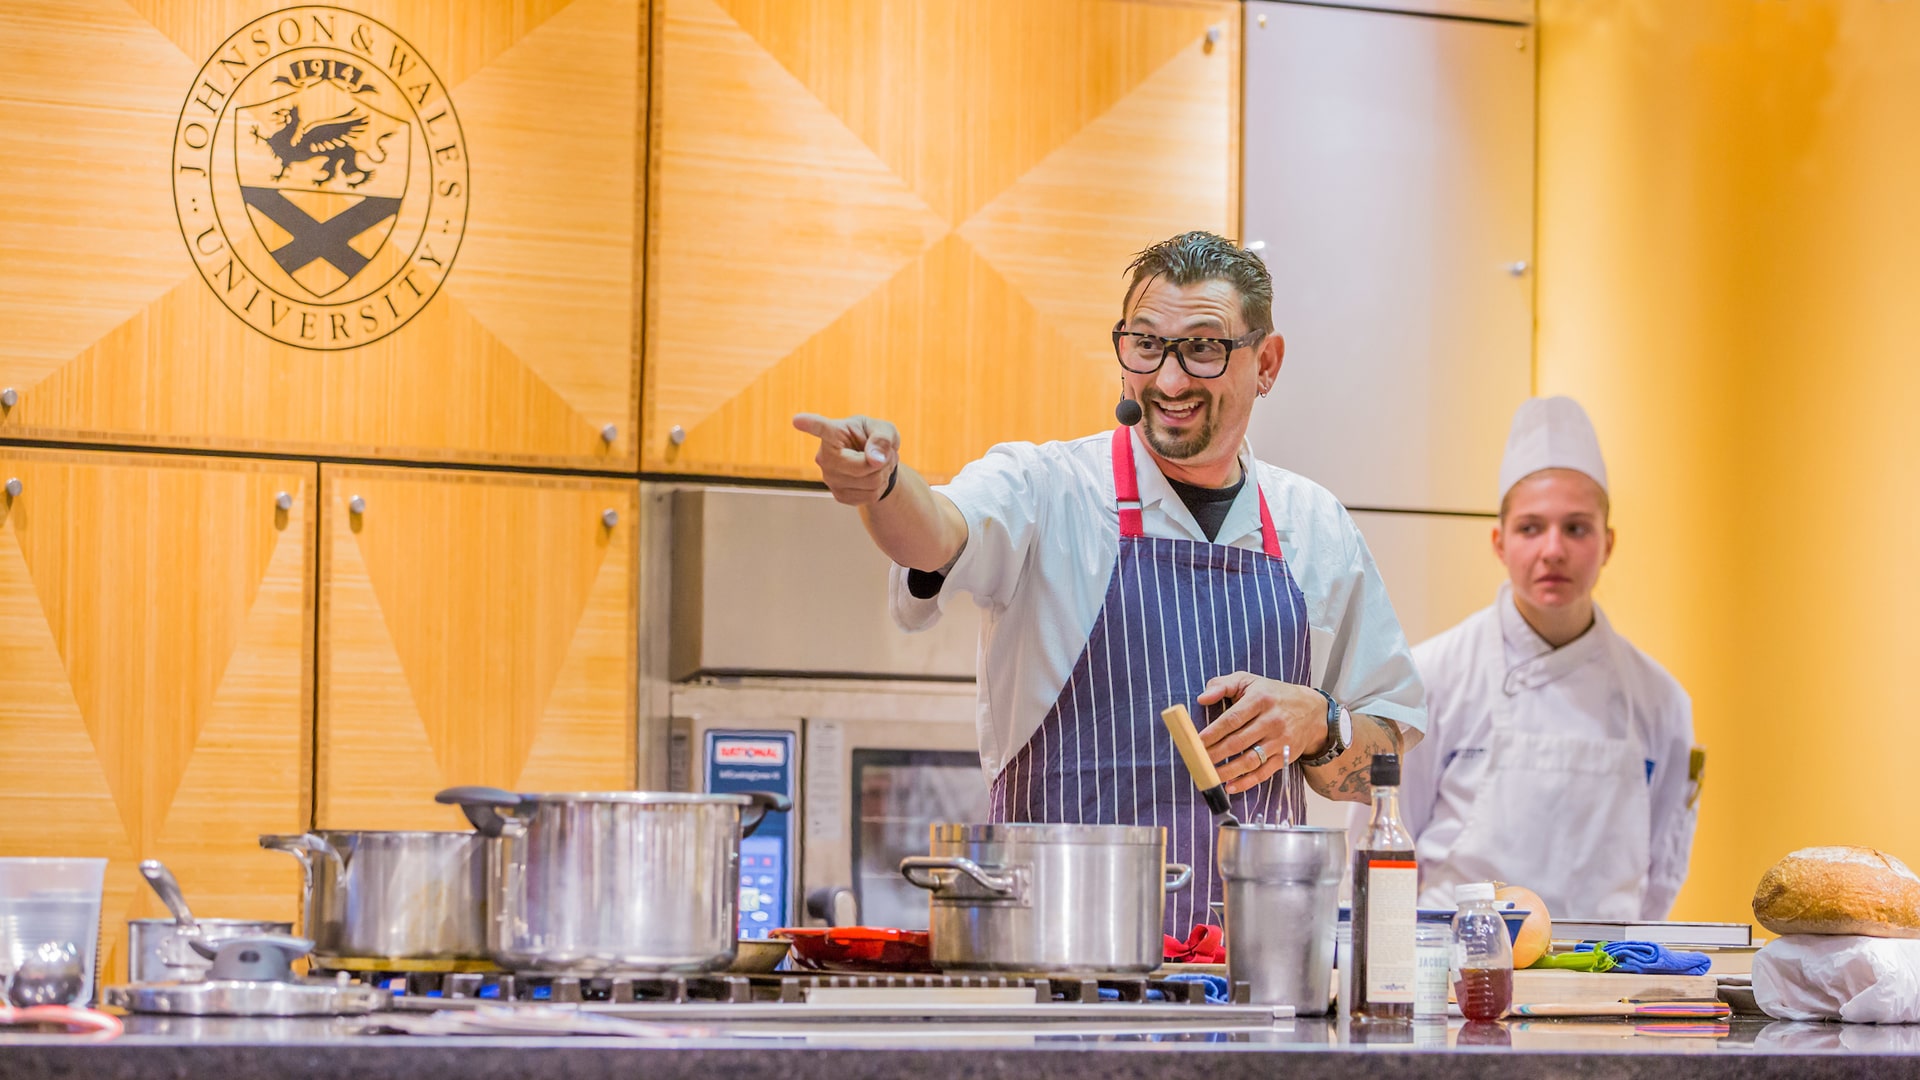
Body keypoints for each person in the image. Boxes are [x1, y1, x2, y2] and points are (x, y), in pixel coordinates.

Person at [791, 231, 1426, 935]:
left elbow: (1385, 762)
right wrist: (882, 485)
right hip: (1054, 967)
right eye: (1146, 345)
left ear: (1266, 362)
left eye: (1204, 348)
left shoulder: (1318, 528)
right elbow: (937, 531)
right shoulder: (1047, 490)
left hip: (1255, 975)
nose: (1169, 380)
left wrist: (1321, 723)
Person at [1402, 396, 1697, 920]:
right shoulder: (1432, 676)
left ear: (1608, 544)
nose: (1553, 550)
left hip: (1604, 982)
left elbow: (1663, 871)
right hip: (1453, 979)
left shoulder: (1661, 701)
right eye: (1531, 528)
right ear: (1499, 542)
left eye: (1577, 528)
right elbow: (1387, 849)